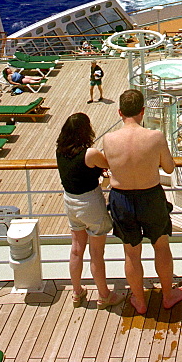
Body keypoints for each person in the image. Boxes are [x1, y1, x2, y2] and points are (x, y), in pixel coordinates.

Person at [96, 89, 182, 314]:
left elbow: (108, 165)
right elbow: (168, 167)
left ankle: (139, 300)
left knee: (131, 252)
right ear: (143, 111)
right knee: (161, 246)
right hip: (151, 196)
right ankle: (168, 295)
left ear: (119, 112)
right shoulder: (155, 137)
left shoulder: (109, 139)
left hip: (121, 198)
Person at [56, 113, 120, 309]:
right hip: (89, 202)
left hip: (70, 202)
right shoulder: (89, 153)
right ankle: (104, 295)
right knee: (96, 254)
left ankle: (77, 293)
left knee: (76, 250)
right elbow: (108, 164)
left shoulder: (60, 151)